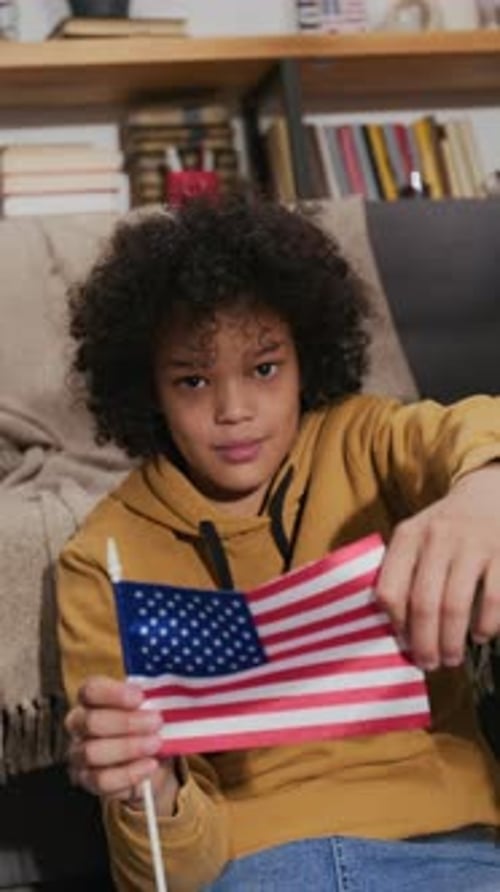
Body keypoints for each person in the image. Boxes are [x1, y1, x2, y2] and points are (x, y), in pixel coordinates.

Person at [57, 195, 500, 892]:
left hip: (448, 848)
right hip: (254, 868)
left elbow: (462, 429)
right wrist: (151, 786)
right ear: (149, 389)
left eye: (264, 368)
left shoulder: (366, 439)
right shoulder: (103, 558)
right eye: (194, 380)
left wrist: (486, 489)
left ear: (307, 356)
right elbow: (165, 877)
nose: (233, 411)